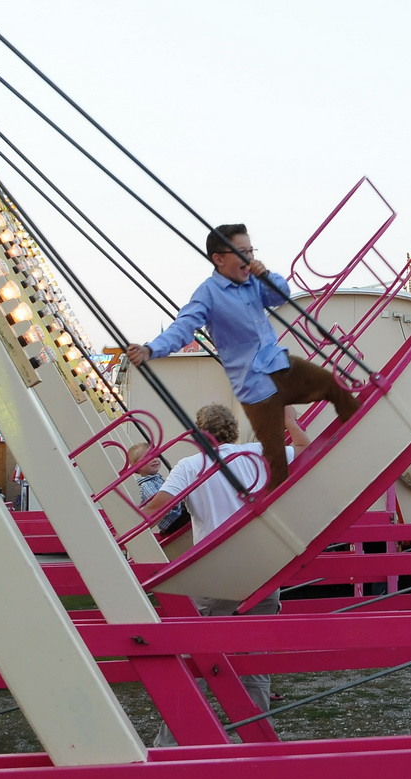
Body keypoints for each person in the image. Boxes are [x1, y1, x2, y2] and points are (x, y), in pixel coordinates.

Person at [127, 224, 359, 490]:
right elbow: (183, 327)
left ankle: (360, 425)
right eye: (242, 252)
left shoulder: (253, 281)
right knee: (275, 456)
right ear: (219, 259)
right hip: (253, 384)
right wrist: (150, 350)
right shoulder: (208, 294)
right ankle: (276, 502)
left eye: (251, 251)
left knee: (332, 384)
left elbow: (280, 296)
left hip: (278, 364)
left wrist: (266, 275)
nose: (249, 258)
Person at [138, 403, 280, 739]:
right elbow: (304, 448)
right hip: (262, 569)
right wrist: (286, 418)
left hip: (213, 572)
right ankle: (260, 741)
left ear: (199, 432)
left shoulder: (190, 466)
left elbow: (157, 508)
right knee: (253, 662)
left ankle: (170, 742)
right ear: (233, 429)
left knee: (197, 659)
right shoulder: (257, 454)